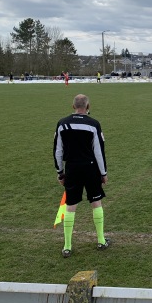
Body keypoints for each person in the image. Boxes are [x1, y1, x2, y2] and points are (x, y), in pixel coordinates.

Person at [53, 94, 110, 258]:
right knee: (96, 202)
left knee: (70, 205)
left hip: (72, 168)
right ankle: (101, 241)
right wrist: (103, 173)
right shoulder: (94, 124)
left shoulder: (62, 124)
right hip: (91, 168)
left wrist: (60, 172)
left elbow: (58, 150)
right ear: (88, 106)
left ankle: (67, 246)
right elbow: (99, 151)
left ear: (73, 107)